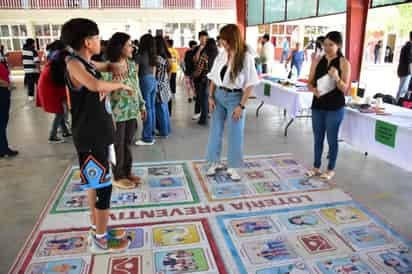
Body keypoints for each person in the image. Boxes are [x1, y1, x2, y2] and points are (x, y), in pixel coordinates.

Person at [61, 18, 133, 253]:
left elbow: (103, 69)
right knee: (102, 187)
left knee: (95, 183)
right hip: (90, 136)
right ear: (87, 41)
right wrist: (119, 86)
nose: (100, 41)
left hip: (98, 133)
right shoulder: (73, 64)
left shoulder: (86, 61)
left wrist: (113, 68)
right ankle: (101, 239)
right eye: (97, 37)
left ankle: (97, 228)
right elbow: (93, 84)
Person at [206, 24, 259, 181]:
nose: (222, 43)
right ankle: (213, 162)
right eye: (221, 40)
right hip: (218, 95)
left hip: (236, 98)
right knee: (215, 130)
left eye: (224, 40)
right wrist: (210, 97)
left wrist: (241, 106)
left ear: (232, 40)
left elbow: (250, 84)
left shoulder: (246, 58)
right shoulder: (222, 55)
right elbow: (214, 77)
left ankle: (234, 166)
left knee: (235, 132)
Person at [306, 31, 351, 181]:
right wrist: (314, 90)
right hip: (318, 105)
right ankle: (316, 167)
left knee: (332, 139)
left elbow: (345, 89)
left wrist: (337, 78)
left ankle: (331, 169)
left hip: (335, 107)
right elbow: (309, 82)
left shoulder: (344, 63)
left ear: (338, 45)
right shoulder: (318, 60)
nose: (327, 47)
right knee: (318, 138)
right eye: (325, 44)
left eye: (330, 45)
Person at [105, 32, 147, 189]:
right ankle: (117, 176)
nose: (132, 47)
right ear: (119, 47)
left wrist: (142, 105)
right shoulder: (109, 66)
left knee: (127, 143)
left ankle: (127, 172)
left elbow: (136, 86)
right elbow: (103, 91)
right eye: (129, 45)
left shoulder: (130, 64)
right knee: (118, 145)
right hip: (116, 114)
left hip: (131, 111)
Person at [37, 40, 72, 144]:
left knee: (60, 110)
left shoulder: (55, 56)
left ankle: (65, 131)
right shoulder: (61, 58)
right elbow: (60, 77)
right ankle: (52, 136)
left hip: (51, 84)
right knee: (59, 111)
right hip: (51, 86)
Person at [135, 34, 157, 146]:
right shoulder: (153, 55)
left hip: (144, 80)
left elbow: (135, 73)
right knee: (152, 108)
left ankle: (147, 138)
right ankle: (151, 133)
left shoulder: (139, 55)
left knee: (146, 109)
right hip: (153, 80)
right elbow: (154, 70)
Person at [193, 38, 218, 125]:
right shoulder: (218, 54)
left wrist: (194, 75)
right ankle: (217, 118)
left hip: (205, 80)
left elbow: (199, 69)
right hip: (216, 80)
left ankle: (203, 119)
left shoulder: (205, 54)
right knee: (215, 98)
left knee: (205, 99)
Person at [0, 57, 18, 158]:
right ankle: (3, 149)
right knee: (1, 122)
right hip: (1, 93)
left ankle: (3, 148)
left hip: (4, 92)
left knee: (3, 122)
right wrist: (8, 84)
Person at [155, 36, 172, 137]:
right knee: (164, 108)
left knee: (160, 109)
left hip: (159, 85)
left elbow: (155, 74)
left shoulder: (157, 59)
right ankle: (167, 129)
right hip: (165, 83)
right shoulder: (167, 56)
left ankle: (163, 131)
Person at [192, 30, 209, 121]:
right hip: (198, 75)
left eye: (205, 38)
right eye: (201, 38)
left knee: (206, 95)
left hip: (206, 75)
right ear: (199, 38)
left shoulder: (210, 48)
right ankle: (197, 112)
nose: (203, 40)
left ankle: (206, 111)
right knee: (198, 95)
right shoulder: (196, 48)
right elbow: (195, 60)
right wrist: (199, 49)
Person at [396, 31, 412, 101]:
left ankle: (397, 102)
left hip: (401, 70)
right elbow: (409, 61)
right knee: (403, 89)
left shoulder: (405, 46)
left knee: (402, 88)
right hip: (406, 71)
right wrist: (411, 72)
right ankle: (398, 103)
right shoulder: (410, 47)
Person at [167, 39, 179, 116]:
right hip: (174, 68)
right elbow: (178, 58)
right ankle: (173, 93)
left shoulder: (167, 50)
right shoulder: (175, 50)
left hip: (169, 68)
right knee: (173, 81)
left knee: (168, 82)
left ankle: (169, 93)